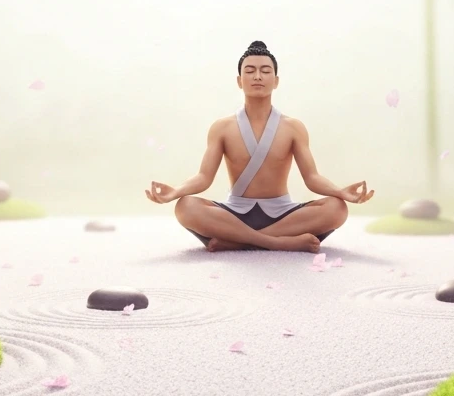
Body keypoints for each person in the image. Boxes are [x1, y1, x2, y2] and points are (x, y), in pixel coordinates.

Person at [145, 40, 374, 252]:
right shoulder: (222, 128)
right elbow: (204, 177)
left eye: (265, 71)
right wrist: (176, 192)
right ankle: (274, 242)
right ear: (239, 81)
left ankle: (236, 242)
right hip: (235, 212)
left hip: (282, 213)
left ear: (276, 81)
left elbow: (312, 177)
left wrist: (339, 192)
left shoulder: (293, 127)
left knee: (337, 208)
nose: (257, 76)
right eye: (250, 71)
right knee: (185, 207)